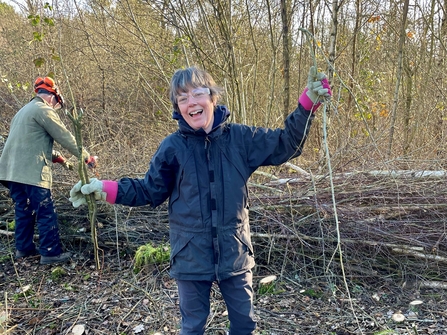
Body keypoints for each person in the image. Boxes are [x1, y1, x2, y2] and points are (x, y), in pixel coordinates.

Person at [69, 66, 331, 334]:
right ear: (177, 107)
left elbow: (286, 144)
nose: (191, 103)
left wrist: (307, 103)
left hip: (235, 253)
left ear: (212, 97)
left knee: (244, 324)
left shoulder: (240, 139)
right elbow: (149, 190)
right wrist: (104, 188)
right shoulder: (173, 148)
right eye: (183, 98)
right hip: (190, 255)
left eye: (197, 94)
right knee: (192, 327)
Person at [0, 76, 97, 265]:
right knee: (46, 211)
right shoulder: (43, 109)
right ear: (53, 97)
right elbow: (65, 136)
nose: (55, 107)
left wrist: (62, 161)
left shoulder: (23, 112)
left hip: (11, 172)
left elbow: (32, 145)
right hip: (31, 173)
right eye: (56, 104)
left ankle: (24, 249)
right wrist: (86, 156)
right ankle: (51, 252)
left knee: (24, 209)